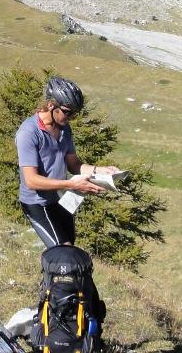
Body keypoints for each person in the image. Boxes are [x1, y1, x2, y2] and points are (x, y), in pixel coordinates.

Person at [16, 76, 121, 249]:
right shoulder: (28, 133)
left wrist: (100, 170)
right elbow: (31, 180)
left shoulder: (64, 128)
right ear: (51, 105)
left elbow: (73, 164)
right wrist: (71, 185)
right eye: (67, 112)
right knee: (64, 251)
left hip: (59, 198)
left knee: (69, 248)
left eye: (74, 113)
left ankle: (51, 275)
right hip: (37, 203)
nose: (70, 117)